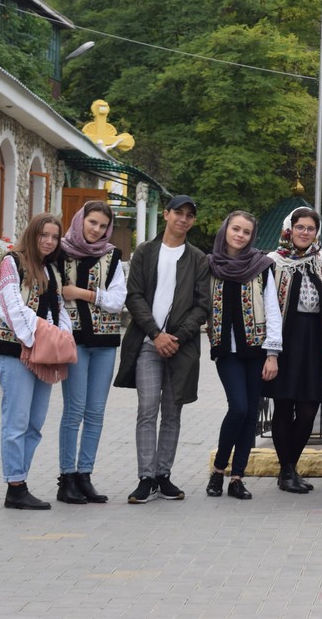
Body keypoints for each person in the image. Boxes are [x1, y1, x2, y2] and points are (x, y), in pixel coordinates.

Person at [115, 195, 210, 503]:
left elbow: (202, 306)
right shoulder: (145, 252)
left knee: (172, 411)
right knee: (147, 409)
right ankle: (145, 477)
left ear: (193, 221)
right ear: (166, 215)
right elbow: (134, 296)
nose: (183, 219)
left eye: (189, 215)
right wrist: (156, 334)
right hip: (147, 344)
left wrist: (176, 338)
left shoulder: (198, 258)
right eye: (178, 213)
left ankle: (163, 475)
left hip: (180, 347)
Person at [0, 213, 72, 510]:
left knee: (35, 422)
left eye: (54, 236)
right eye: (43, 235)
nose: (49, 241)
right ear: (32, 234)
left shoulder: (53, 269)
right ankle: (15, 485)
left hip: (42, 351)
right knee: (17, 419)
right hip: (16, 348)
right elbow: (9, 303)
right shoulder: (12, 262)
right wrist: (39, 335)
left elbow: (58, 307)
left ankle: (20, 479)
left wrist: (62, 337)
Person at [204, 211, 282, 500]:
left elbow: (273, 309)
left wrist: (272, 354)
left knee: (251, 412)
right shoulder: (210, 265)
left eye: (246, 232)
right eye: (235, 229)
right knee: (237, 407)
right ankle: (218, 470)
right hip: (227, 350)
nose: (240, 235)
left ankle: (237, 477)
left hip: (257, 349)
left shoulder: (261, 266)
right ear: (225, 230)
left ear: (252, 237)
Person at [55, 201, 127, 505]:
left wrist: (82, 294)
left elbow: (117, 301)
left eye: (102, 226)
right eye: (92, 222)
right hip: (73, 341)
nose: (96, 230)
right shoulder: (59, 252)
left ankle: (85, 476)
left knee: (95, 412)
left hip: (104, 342)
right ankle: (66, 478)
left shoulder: (111, 257)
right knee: (74, 410)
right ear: (80, 220)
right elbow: (53, 294)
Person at [265, 207, 322, 494]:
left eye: (310, 228)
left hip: (313, 342)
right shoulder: (273, 262)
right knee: (283, 404)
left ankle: (289, 465)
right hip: (284, 340)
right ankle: (287, 470)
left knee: (309, 407)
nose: (305, 233)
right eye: (300, 227)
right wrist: (271, 351)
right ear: (289, 230)